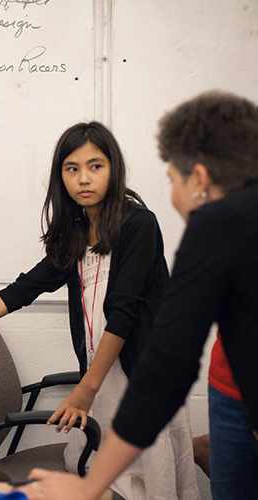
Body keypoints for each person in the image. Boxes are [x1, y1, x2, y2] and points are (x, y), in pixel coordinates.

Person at [0, 122, 198, 499]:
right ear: (60, 176)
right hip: (103, 374)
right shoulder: (76, 235)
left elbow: (123, 313)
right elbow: (22, 291)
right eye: (72, 168)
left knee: (147, 478)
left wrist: (86, 389)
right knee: (113, 473)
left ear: (114, 170)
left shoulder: (138, 224)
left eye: (95, 166)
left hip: (142, 376)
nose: (84, 178)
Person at [20, 91, 258, 500]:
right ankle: (203, 450)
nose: (169, 195)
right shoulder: (214, 239)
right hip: (229, 389)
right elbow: (169, 361)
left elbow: (156, 351)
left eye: (171, 180)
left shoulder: (154, 227)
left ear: (198, 179)